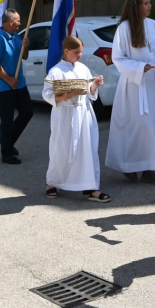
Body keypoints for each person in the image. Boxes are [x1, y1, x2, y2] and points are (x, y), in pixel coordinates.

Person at [105, 0, 155, 184]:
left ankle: (151, 167)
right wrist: (141, 68)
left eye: (150, 3)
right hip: (135, 85)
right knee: (136, 126)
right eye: (146, 3)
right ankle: (130, 165)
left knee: (154, 125)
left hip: (154, 82)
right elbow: (118, 58)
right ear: (136, 6)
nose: (149, 6)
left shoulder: (154, 26)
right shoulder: (124, 29)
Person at [43, 36, 110, 201]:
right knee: (61, 149)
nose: (79, 55)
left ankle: (90, 187)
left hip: (83, 113)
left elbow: (89, 90)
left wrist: (94, 85)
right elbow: (47, 94)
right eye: (76, 52)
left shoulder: (82, 68)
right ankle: (53, 183)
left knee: (88, 150)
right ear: (66, 51)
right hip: (65, 115)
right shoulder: (56, 71)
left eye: (80, 52)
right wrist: (67, 94)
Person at [0, 10, 33, 163]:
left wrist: (25, 46)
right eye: (18, 20)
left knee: (27, 112)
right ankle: (6, 154)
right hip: (5, 87)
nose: (20, 23)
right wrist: (8, 79)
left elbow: (24, 57)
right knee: (6, 119)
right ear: (11, 21)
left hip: (20, 83)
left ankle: (7, 140)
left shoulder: (16, 37)